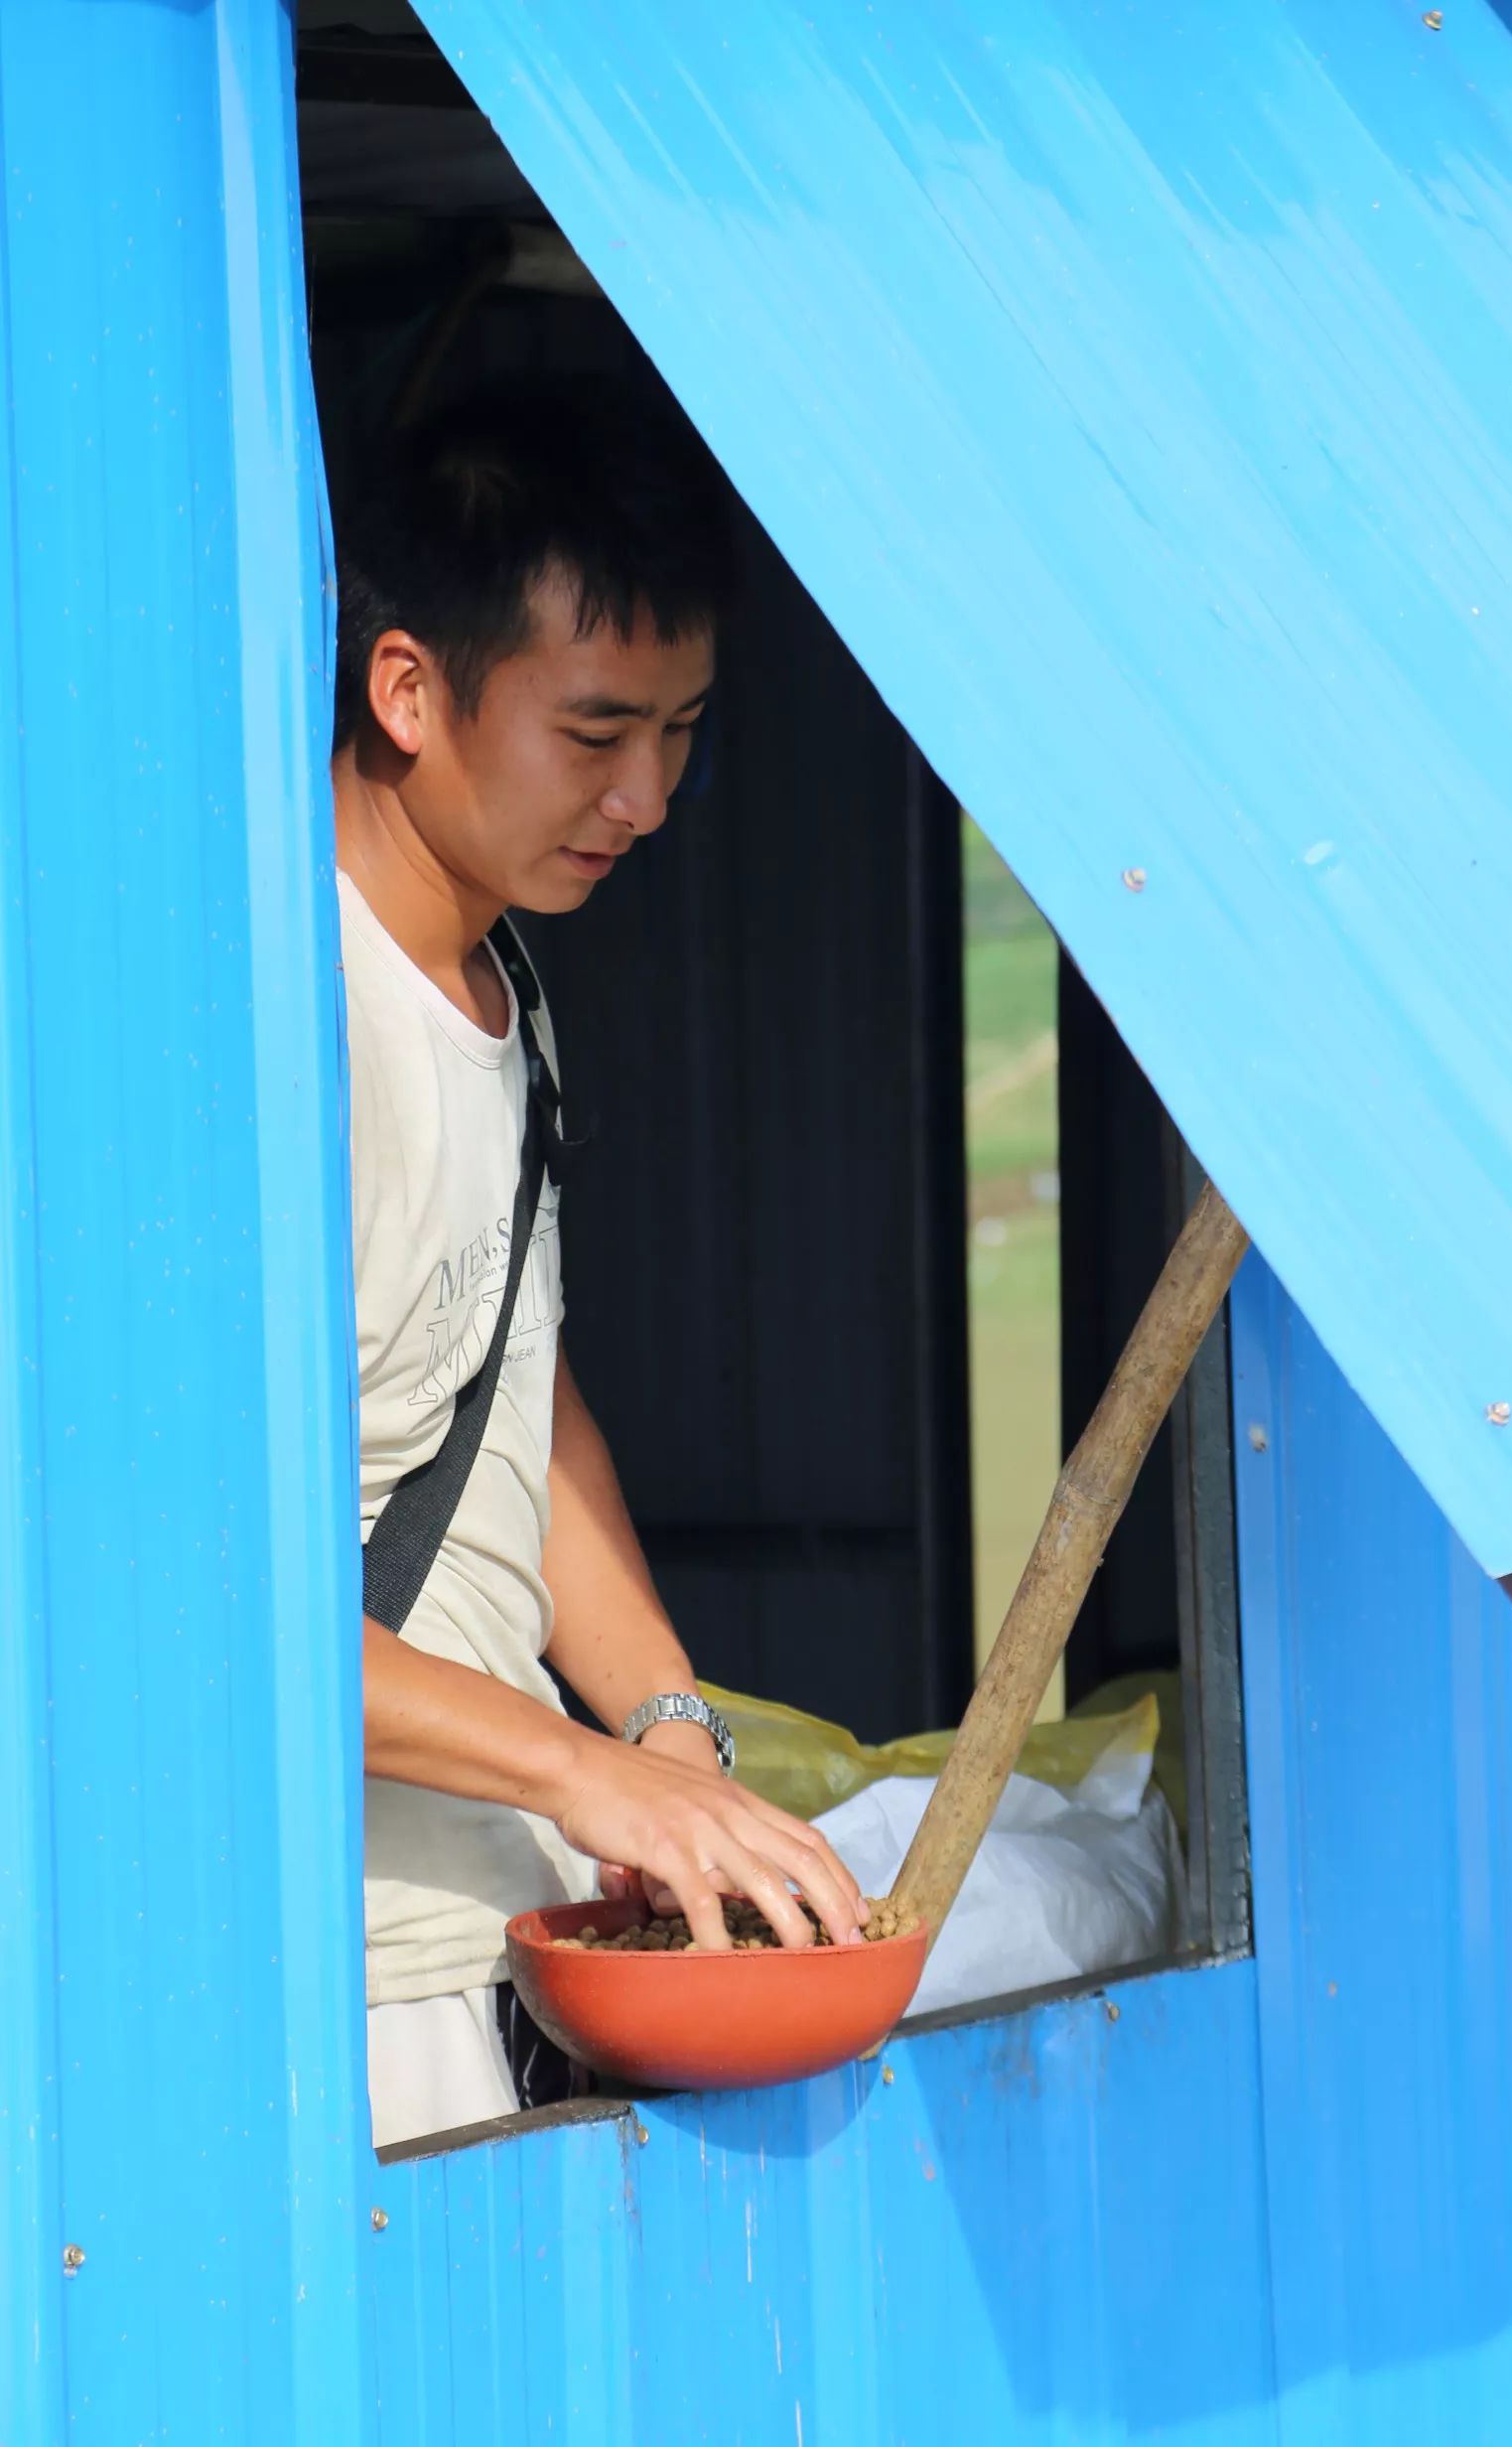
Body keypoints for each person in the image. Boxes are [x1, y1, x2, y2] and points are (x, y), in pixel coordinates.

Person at [332, 384, 867, 2149]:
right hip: (342, 1976)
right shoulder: (293, 1037)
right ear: (407, 689)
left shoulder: (507, 989)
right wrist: (589, 1774)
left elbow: (515, 1396)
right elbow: (208, 1600)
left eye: (686, 732)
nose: (647, 798)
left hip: (491, 1929)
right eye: (597, 732)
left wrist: (667, 1735)